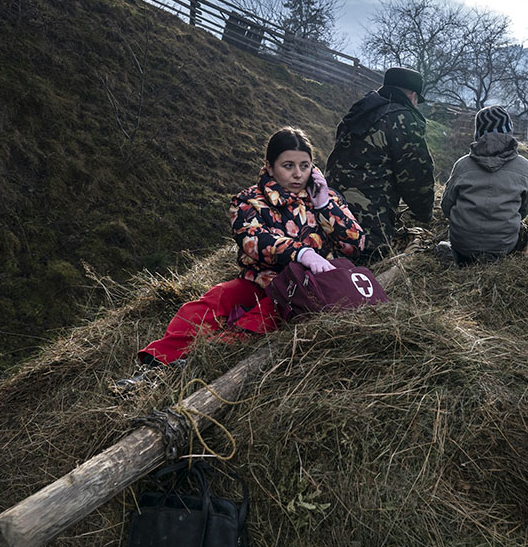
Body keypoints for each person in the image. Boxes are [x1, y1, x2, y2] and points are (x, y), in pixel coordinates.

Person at [114, 127, 366, 392]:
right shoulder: (249, 200)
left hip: (301, 291)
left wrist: (326, 205)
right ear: (269, 166)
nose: (297, 174)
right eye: (288, 165)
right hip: (259, 281)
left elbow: (354, 245)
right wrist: (301, 252)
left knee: (259, 319)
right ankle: (155, 365)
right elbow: (252, 239)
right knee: (212, 302)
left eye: (305, 166)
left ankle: (187, 367)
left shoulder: (326, 198)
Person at [326, 67, 435, 262]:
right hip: (367, 225)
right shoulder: (403, 118)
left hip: (331, 211)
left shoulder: (361, 109)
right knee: (367, 270)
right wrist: (425, 214)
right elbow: (416, 175)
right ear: (412, 96)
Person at [440, 106, 528, 265]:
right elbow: (525, 208)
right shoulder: (524, 166)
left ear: (478, 134)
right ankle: (496, 258)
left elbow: (446, 205)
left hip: (463, 243)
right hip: (503, 245)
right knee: (522, 234)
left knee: (457, 244)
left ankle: (458, 256)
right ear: (509, 132)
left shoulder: (462, 165)